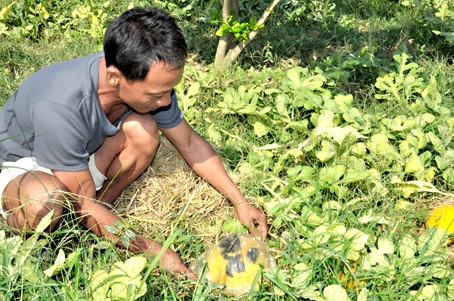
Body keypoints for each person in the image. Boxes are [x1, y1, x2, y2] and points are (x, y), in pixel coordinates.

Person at [0, 6, 268, 278]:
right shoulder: (59, 106)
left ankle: (98, 219)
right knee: (44, 201)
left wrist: (240, 202)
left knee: (144, 130)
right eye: (157, 94)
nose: (166, 101)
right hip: (24, 166)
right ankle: (24, 231)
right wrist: (153, 251)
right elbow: (81, 200)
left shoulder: (147, 80)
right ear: (114, 77)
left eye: (169, 90)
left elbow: (188, 143)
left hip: (78, 158)